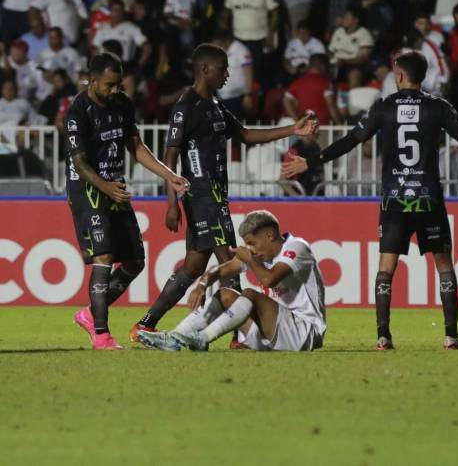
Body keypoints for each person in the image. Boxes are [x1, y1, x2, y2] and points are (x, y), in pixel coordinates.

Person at [282, 50, 458, 350]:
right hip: (428, 199)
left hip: (394, 200)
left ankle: (383, 336)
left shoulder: (384, 107)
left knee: (386, 267)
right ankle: (451, 335)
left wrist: (311, 161)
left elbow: (351, 141)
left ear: (399, 75)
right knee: (444, 265)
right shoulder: (438, 107)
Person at [131, 44, 318, 343]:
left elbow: (245, 135)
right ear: (205, 69)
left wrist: (291, 130)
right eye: (223, 69)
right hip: (203, 195)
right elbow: (170, 156)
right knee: (231, 260)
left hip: (215, 195)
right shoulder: (186, 106)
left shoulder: (215, 105)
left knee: (193, 265)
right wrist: (171, 202)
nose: (228, 75)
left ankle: (146, 323)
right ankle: (238, 335)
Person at [66, 53, 189, 350]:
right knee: (104, 256)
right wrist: (106, 187)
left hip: (114, 188)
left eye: (118, 85)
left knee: (135, 261)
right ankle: (101, 334)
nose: (114, 91)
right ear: (92, 80)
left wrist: (169, 175)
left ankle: (89, 312)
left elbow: (136, 146)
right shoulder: (77, 112)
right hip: (89, 189)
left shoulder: (122, 104)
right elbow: (80, 163)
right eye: (109, 85)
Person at [137, 210, 326, 352]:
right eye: (247, 245)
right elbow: (224, 269)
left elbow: (269, 280)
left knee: (250, 294)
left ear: (269, 236)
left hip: (305, 331)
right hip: (274, 329)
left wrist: (249, 259)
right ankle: (175, 338)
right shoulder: (260, 255)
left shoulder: (297, 248)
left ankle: (203, 338)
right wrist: (202, 284)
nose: (250, 249)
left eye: (252, 243)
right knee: (225, 294)